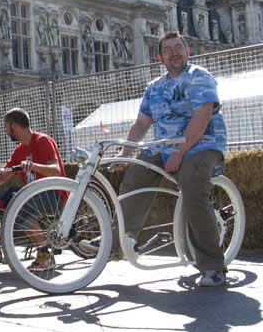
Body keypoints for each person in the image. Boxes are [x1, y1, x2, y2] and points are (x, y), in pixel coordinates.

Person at [84, 31, 228, 287]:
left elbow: (203, 114)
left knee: (193, 189)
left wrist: (180, 153)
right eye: (169, 49)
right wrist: (126, 153)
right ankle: (118, 242)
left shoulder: (199, 77)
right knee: (134, 177)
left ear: (187, 51)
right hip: (164, 147)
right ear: (160, 57)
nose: (174, 52)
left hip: (201, 146)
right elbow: (142, 123)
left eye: (179, 47)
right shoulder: (154, 87)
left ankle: (213, 265)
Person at [0, 108, 66, 271]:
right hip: (30, 194)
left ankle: (45, 255)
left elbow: (55, 170)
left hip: (54, 195)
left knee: (19, 205)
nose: (6, 132)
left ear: (14, 125)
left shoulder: (42, 140)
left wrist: (34, 166)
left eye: (6, 128)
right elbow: (1, 177)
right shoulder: (20, 150)